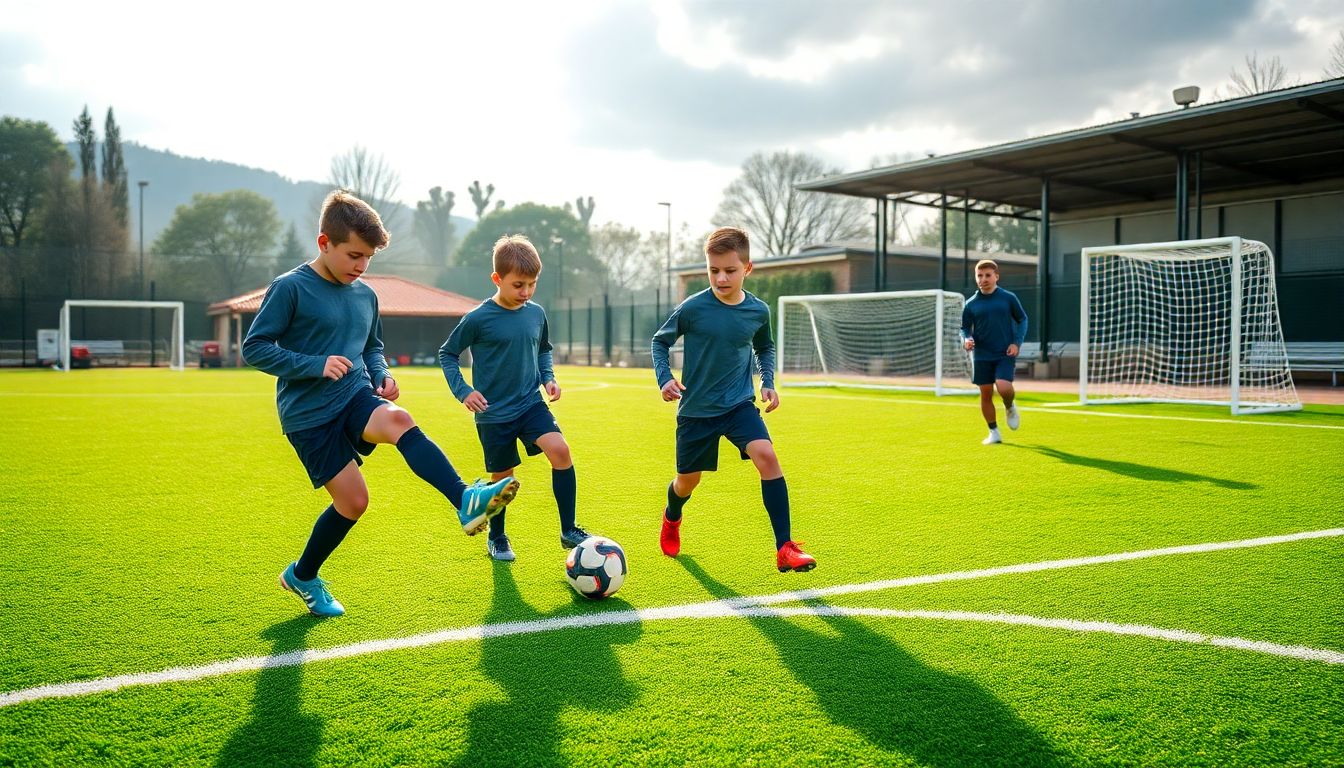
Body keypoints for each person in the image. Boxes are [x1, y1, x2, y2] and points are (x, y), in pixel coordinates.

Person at [244, 191, 518, 617]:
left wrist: (381, 374)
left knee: (399, 419)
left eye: (368, 257)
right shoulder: (291, 288)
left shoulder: (365, 295)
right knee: (353, 503)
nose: (361, 265)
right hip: (308, 416)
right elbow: (255, 347)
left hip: (354, 393)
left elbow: (372, 346)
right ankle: (302, 574)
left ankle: (465, 499)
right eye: (353, 254)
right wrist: (313, 365)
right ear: (324, 244)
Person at [651, 227, 816, 573]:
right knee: (687, 482)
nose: (721, 278)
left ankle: (784, 547)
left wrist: (767, 381)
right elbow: (660, 341)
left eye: (730, 270)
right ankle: (672, 516)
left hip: (739, 404)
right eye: (714, 271)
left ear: (747, 268)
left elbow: (764, 346)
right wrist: (665, 378)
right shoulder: (693, 307)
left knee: (767, 455)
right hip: (696, 410)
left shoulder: (758, 311)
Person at [439, 235, 591, 561]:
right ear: (497, 279)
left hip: (529, 403)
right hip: (494, 413)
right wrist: (464, 391)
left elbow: (544, 350)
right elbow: (447, 353)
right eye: (518, 285)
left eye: (532, 285)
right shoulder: (478, 318)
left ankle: (568, 529)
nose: (526, 292)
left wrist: (548, 378)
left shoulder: (536, 313)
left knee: (560, 450)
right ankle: (497, 536)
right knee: (503, 481)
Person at [961, 259, 1029, 445]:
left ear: (996, 277)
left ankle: (1009, 406)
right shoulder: (970, 304)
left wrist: (1016, 343)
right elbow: (965, 329)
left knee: (1004, 387)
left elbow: (1022, 320)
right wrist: (967, 339)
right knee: (985, 394)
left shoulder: (1008, 298)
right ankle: (994, 432)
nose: (984, 279)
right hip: (981, 355)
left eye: (988, 275)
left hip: (1004, 353)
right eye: (980, 275)